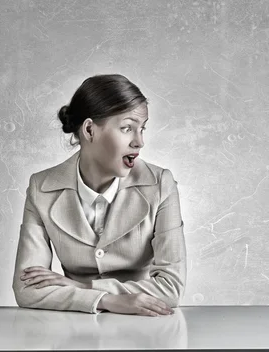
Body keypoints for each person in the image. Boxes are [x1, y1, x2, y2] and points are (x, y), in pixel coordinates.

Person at [12, 74, 186, 315]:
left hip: (144, 330)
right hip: (72, 331)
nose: (139, 142)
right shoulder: (41, 187)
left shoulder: (160, 184)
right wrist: (105, 300)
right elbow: (27, 289)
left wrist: (83, 287)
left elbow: (170, 287)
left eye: (142, 129)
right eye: (127, 128)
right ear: (90, 130)